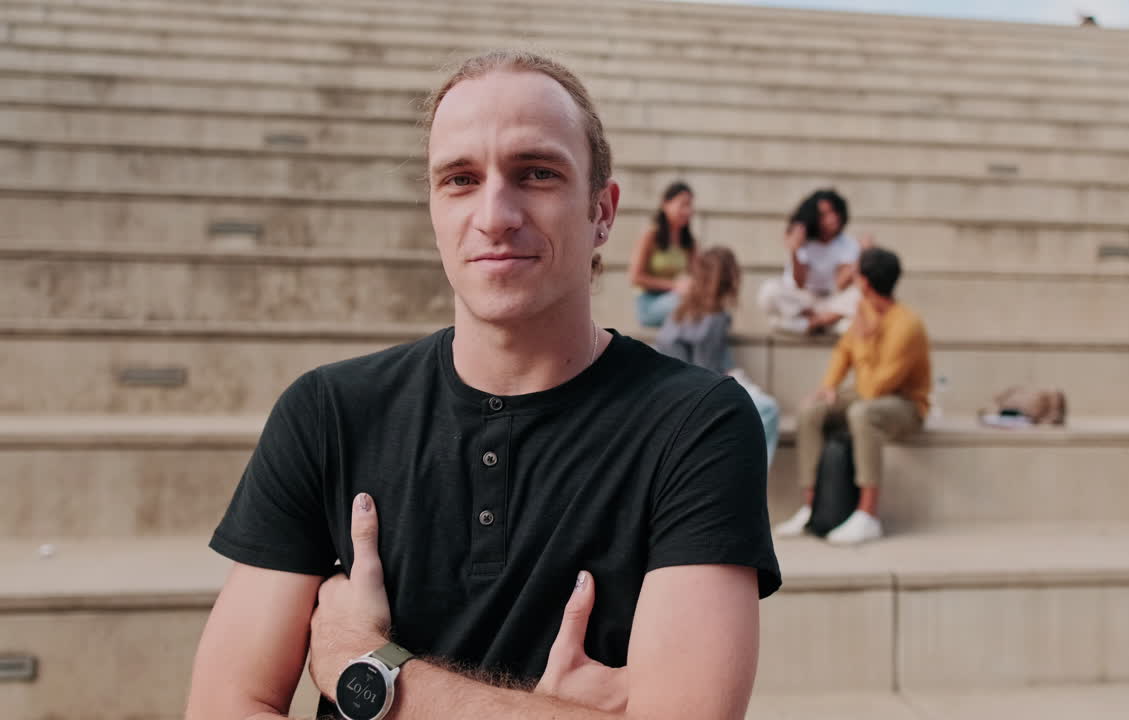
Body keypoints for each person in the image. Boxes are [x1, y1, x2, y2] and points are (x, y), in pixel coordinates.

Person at [185, 50, 780, 720]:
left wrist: (372, 672)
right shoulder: (327, 412)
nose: (495, 214)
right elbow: (222, 705)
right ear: (434, 209)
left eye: (536, 173)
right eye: (461, 179)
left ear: (603, 213)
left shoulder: (696, 425)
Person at [774, 247, 931, 545]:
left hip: (906, 403)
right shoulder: (865, 309)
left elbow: (876, 387)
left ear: (866, 283)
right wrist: (829, 385)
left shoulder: (907, 325)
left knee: (863, 414)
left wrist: (864, 337)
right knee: (812, 412)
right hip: (865, 391)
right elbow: (843, 351)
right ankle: (811, 506)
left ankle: (868, 514)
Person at [655, 246, 781, 467]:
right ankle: (754, 479)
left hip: (672, 388)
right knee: (767, 409)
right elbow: (706, 375)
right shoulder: (713, 318)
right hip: (689, 395)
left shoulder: (682, 307)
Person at [757, 189, 868, 335]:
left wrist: (861, 257)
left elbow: (840, 284)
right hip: (804, 301)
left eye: (834, 212)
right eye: (824, 215)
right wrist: (795, 251)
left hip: (831, 301)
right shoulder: (805, 243)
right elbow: (799, 283)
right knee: (769, 291)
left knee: (863, 292)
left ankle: (812, 324)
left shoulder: (848, 244)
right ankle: (821, 323)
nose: (832, 218)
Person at [628, 181, 696, 327]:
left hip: (680, 298)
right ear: (666, 204)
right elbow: (635, 277)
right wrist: (674, 285)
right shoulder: (650, 236)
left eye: (690, 205)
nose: (687, 211)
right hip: (649, 304)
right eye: (683, 205)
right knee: (686, 305)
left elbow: (695, 275)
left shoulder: (690, 242)